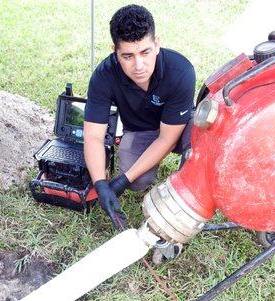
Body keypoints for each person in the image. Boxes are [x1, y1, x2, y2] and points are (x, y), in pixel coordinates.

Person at [83, 4, 195, 229]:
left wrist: (121, 181)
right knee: (139, 181)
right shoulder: (103, 76)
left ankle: (187, 193)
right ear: (114, 50)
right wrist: (102, 184)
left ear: (157, 44)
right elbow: (93, 137)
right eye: (127, 56)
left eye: (145, 52)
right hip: (140, 130)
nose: (139, 65)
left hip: (178, 127)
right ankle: (144, 166)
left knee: (199, 148)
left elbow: (167, 138)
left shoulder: (181, 71)